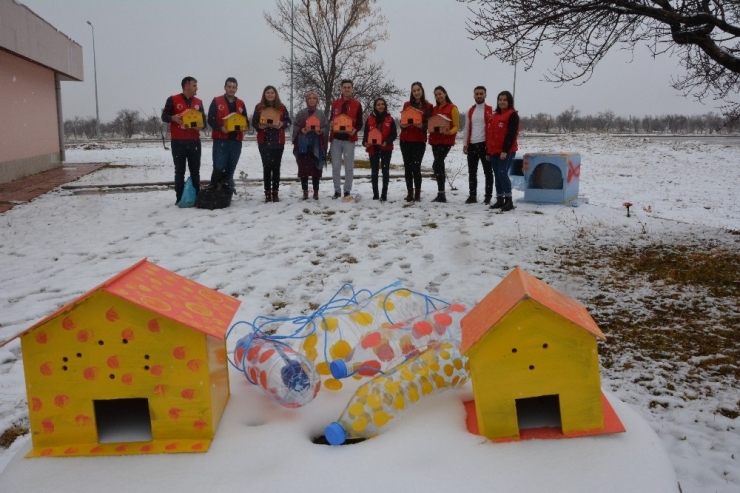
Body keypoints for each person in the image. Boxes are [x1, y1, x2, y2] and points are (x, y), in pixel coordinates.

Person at [161, 76, 206, 205]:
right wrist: (173, 118)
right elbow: (164, 116)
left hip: (194, 142)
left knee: (195, 171)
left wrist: (200, 126)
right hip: (178, 141)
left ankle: (196, 197)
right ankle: (180, 198)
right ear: (186, 86)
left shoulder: (198, 102)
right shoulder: (173, 99)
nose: (196, 88)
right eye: (194, 85)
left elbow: (204, 123)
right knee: (179, 171)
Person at [207, 77, 248, 196]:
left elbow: (246, 121)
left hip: (236, 141)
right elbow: (210, 119)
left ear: (236, 89)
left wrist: (245, 127)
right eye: (229, 87)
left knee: (231, 167)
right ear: (225, 87)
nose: (231, 89)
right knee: (219, 167)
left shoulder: (241, 103)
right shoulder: (217, 101)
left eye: (233, 87)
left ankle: (227, 193)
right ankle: (215, 193)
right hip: (221, 140)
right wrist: (220, 128)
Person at [252, 86, 292, 203]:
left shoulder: (281, 107)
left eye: (272, 93)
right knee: (266, 166)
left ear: (276, 94)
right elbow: (254, 122)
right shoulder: (259, 107)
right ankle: (267, 192)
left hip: (278, 141)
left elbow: (288, 121)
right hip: (264, 141)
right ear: (264, 94)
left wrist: (281, 124)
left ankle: (275, 192)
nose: (270, 95)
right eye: (268, 93)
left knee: (276, 167)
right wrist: (259, 126)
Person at [399, 82, 433, 202]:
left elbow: (428, 124)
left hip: (419, 140)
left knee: (416, 167)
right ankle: (410, 193)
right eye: (414, 91)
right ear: (412, 93)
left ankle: (417, 193)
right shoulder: (407, 104)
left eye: (418, 90)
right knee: (407, 167)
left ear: (422, 91)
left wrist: (420, 126)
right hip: (405, 140)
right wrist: (403, 124)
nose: (416, 92)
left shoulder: (428, 106)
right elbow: (402, 123)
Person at [329, 79, 363, 200]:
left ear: (352, 89)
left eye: (349, 87)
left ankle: (347, 190)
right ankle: (337, 190)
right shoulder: (335, 103)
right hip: (336, 140)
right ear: (341, 89)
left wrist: (354, 130)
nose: (347, 89)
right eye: (345, 87)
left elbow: (360, 122)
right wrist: (331, 123)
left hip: (349, 139)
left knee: (349, 167)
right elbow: (331, 119)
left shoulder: (357, 104)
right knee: (336, 166)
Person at [486, 90, 519, 212]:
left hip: (506, 151)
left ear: (509, 101)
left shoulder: (512, 115)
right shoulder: (494, 116)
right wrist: (488, 151)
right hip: (494, 151)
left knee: (502, 173)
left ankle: (508, 200)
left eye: (505, 100)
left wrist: (505, 150)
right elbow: (490, 135)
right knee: (497, 175)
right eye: (500, 99)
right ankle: (500, 199)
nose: (502, 102)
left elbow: (511, 134)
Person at [293, 91, 329, 200]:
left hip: (316, 145)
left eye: (314, 98)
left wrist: (321, 131)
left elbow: (326, 127)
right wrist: (301, 130)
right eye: (310, 98)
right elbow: (295, 126)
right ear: (306, 100)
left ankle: (316, 192)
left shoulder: (321, 114)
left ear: (317, 100)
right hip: (303, 145)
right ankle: (305, 191)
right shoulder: (301, 114)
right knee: (304, 168)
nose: (312, 100)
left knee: (316, 169)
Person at [462, 86, 494, 205]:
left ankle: (488, 196)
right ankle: (472, 195)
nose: (479, 96)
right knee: (472, 172)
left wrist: (491, 146)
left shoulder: (491, 110)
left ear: (485, 95)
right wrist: (465, 144)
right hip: (472, 145)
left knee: (488, 172)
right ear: (473, 95)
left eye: (481, 93)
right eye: (477, 94)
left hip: (485, 145)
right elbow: (466, 128)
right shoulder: (470, 111)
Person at [362, 98, 398, 201]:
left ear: (385, 106)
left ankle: (384, 194)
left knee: (385, 171)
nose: (381, 106)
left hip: (386, 148)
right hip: (373, 148)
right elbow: (365, 134)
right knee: (374, 171)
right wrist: (365, 143)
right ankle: (375, 194)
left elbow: (394, 134)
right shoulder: (370, 119)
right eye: (378, 104)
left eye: (382, 104)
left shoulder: (389, 119)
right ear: (375, 106)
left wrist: (387, 142)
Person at [428, 86, 459, 203]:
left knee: (436, 165)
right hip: (434, 140)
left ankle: (441, 193)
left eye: (440, 94)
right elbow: (431, 122)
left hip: (446, 141)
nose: (438, 96)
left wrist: (449, 132)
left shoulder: (452, 108)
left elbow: (456, 125)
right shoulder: (434, 109)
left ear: (445, 93)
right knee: (440, 166)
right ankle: (441, 194)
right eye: (436, 95)